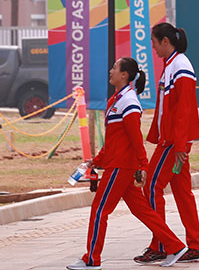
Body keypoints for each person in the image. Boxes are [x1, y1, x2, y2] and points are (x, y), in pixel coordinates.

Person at [66, 57, 188, 270]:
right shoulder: (117, 99)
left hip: (121, 167)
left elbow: (135, 138)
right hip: (118, 165)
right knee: (143, 211)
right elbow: (113, 140)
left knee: (99, 211)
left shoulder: (129, 101)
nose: (110, 70)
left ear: (124, 75)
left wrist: (143, 166)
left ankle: (92, 259)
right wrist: (95, 162)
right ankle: (175, 246)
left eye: (114, 67)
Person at [134, 22, 199, 264]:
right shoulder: (171, 66)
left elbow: (185, 108)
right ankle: (196, 246)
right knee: (182, 193)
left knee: (151, 187)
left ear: (165, 42)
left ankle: (161, 244)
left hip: (174, 143)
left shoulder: (180, 66)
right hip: (172, 141)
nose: (153, 49)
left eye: (154, 43)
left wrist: (179, 146)